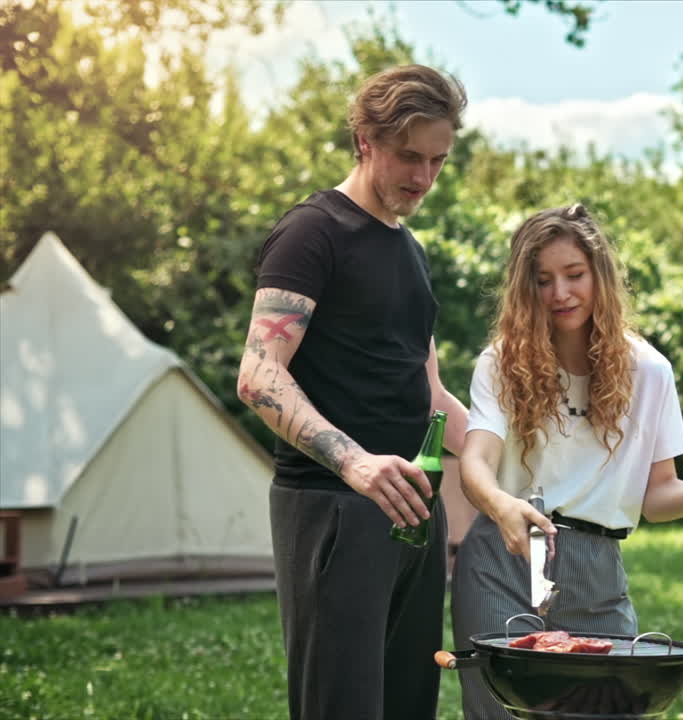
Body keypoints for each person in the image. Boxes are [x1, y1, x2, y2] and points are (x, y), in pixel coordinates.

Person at [452, 204, 683, 719]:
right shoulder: (501, 362)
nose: (560, 293)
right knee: (499, 712)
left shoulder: (649, 371)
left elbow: (658, 495)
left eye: (574, 275)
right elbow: (476, 462)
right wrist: (499, 505)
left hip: (598, 570)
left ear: (600, 276)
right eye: (543, 279)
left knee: (609, 707)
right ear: (524, 288)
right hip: (505, 555)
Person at [236, 64, 469, 720]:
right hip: (335, 509)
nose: (423, 178)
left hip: (417, 515)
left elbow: (432, 398)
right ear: (365, 140)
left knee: (407, 705)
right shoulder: (314, 234)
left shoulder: (411, 253)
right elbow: (259, 375)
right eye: (408, 157)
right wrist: (356, 463)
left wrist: (515, 459)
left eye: (438, 161)